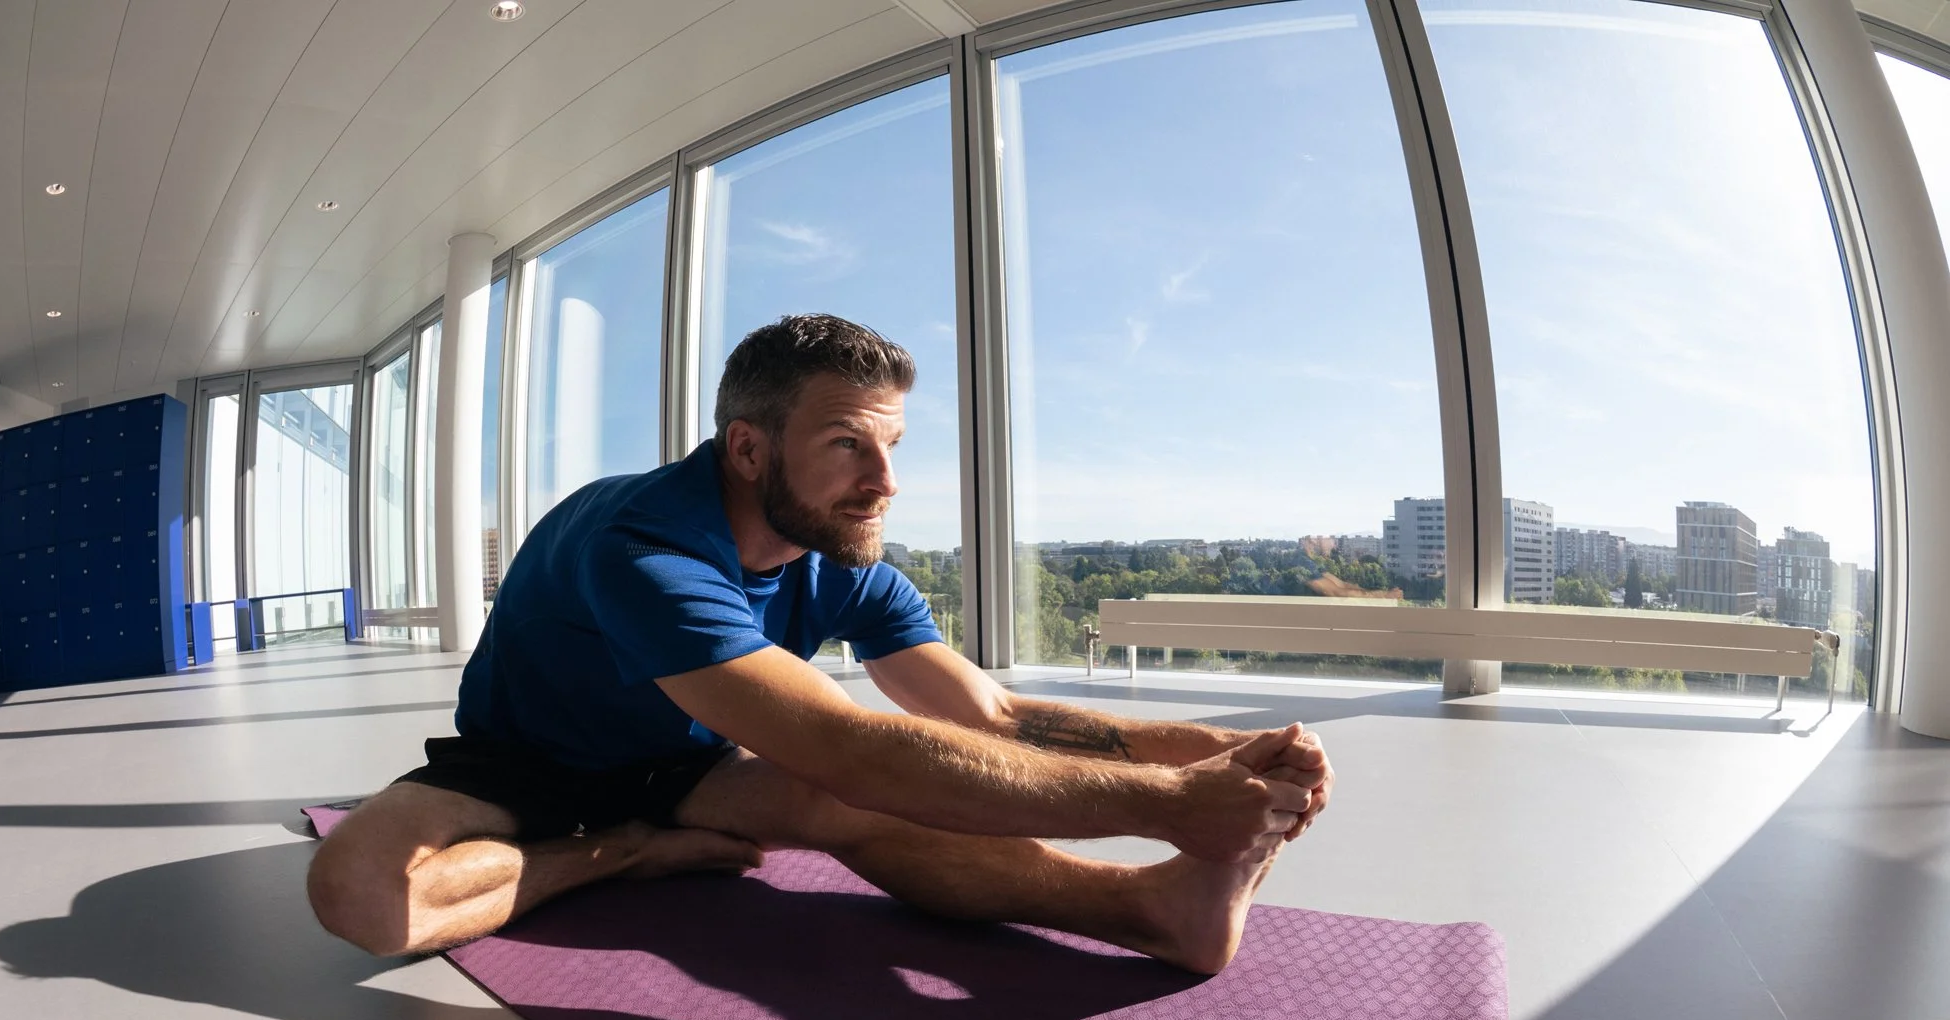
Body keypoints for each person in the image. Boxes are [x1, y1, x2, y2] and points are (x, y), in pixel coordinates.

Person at [308, 314, 1333, 975]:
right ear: (749, 448)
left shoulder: (836, 557)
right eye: (848, 443)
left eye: (891, 445)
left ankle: (1150, 909)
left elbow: (993, 715)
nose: (883, 480)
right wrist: (1163, 807)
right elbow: (851, 745)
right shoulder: (647, 550)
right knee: (357, 890)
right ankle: (620, 853)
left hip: (682, 761)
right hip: (526, 764)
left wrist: (1206, 756)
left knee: (857, 801)